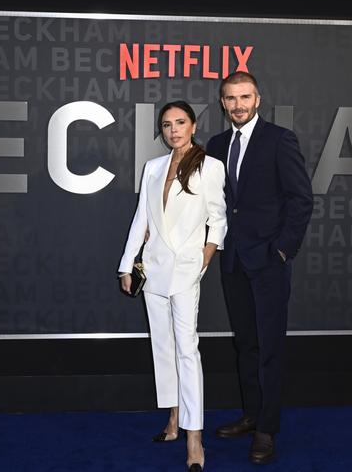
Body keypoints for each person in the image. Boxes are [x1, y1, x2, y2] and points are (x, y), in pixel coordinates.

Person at [206, 71, 313, 465]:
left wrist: (283, 250)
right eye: (231, 98)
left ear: (258, 99)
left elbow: (301, 199)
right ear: (222, 102)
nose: (238, 105)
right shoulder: (216, 145)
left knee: (269, 347)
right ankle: (251, 414)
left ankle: (267, 428)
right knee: (245, 344)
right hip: (232, 259)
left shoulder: (279, 139)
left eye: (245, 97)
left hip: (269, 260)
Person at [118, 100, 227, 472]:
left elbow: (219, 219)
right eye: (166, 125)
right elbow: (141, 219)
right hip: (153, 269)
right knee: (163, 348)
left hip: (185, 271)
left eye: (180, 122)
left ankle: (194, 436)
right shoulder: (152, 167)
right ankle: (173, 418)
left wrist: (204, 259)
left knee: (187, 350)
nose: (173, 130)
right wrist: (126, 266)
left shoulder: (211, 167)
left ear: (194, 126)